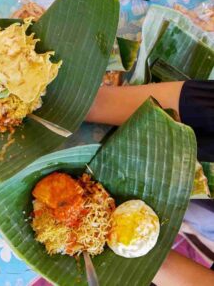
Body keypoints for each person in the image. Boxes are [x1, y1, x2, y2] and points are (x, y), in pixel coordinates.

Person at [86, 80, 214, 285]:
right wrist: (87, 105)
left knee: (189, 217)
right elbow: (197, 106)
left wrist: (129, 246)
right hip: (149, 142)